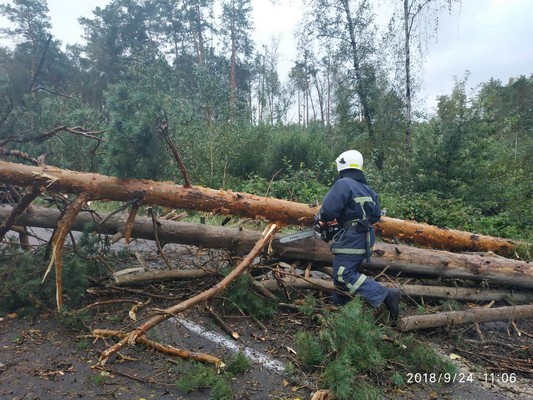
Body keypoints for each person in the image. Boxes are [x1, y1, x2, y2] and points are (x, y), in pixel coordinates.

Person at [315, 150, 400, 319]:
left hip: (352, 238)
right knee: (342, 276)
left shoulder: (343, 184)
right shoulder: (367, 189)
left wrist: (324, 220)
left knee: (343, 274)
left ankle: (384, 294)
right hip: (364, 237)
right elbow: (376, 216)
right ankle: (342, 313)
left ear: (342, 164)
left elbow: (328, 211)